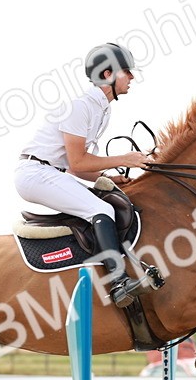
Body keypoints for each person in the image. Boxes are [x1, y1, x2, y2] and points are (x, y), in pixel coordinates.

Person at [15, 42, 150, 307]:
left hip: (52, 172)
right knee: (102, 211)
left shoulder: (103, 109)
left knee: (108, 200)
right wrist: (126, 159)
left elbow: (76, 166)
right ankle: (119, 282)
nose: (132, 77)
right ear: (108, 74)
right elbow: (77, 162)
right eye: (127, 71)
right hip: (34, 173)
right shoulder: (80, 105)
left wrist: (109, 177)